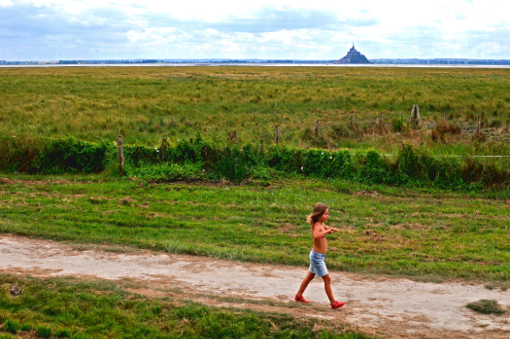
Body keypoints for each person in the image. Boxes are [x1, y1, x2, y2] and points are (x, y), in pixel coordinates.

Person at [294, 202, 345, 309]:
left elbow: (325, 230)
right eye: (325, 214)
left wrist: (330, 230)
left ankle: (298, 296)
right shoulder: (317, 225)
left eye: (327, 214)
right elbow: (316, 235)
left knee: (310, 277)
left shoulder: (321, 224)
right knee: (327, 279)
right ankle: (333, 303)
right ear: (319, 214)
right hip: (317, 257)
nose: (327, 216)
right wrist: (326, 232)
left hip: (318, 256)